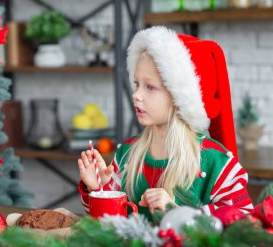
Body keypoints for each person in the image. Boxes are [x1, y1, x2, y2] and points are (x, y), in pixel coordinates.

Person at [77, 26, 254, 221]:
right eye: (136, 84)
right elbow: (107, 226)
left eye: (150, 87)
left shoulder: (216, 162)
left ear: (179, 97)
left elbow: (243, 222)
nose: (136, 95)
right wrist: (99, 189)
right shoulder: (126, 154)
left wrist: (176, 212)